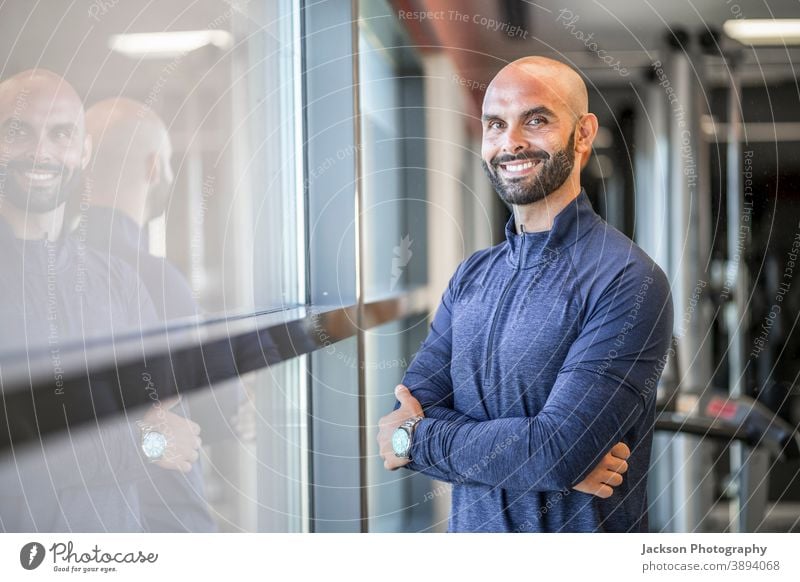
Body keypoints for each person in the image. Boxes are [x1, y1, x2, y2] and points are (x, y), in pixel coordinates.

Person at [377, 57, 674, 532]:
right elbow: (395, 422)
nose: (511, 142)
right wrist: (537, 456)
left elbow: (558, 451)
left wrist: (417, 440)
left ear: (582, 134)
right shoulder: (471, 276)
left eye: (536, 120)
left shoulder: (627, 280)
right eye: (496, 124)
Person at [0, 70, 202, 531]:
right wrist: (140, 445)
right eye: (17, 131)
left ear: (84, 152)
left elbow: (174, 439)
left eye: (61, 134)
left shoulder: (120, 285)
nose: (40, 151)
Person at [79, 97, 226, 532]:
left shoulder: (57, 270)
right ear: (153, 167)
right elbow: (217, 413)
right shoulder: (155, 278)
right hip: (164, 516)